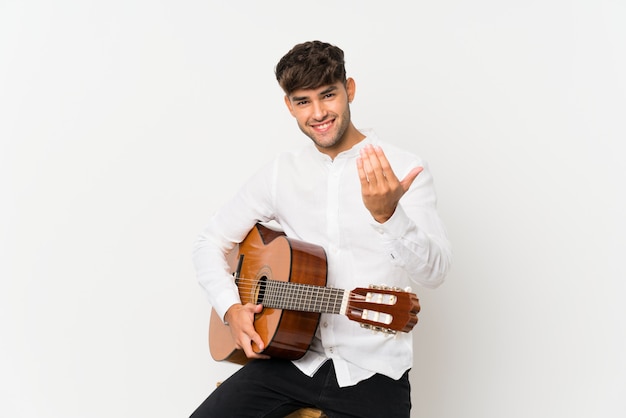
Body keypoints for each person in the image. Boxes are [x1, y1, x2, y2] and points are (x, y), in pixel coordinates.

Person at [190, 40, 452, 418]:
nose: (318, 113)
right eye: (303, 101)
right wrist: (231, 308)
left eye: (328, 95)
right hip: (291, 361)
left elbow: (436, 272)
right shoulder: (281, 173)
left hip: (374, 371)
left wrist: (389, 215)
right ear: (289, 106)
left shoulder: (404, 167)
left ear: (350, 90)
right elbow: (207, 243)